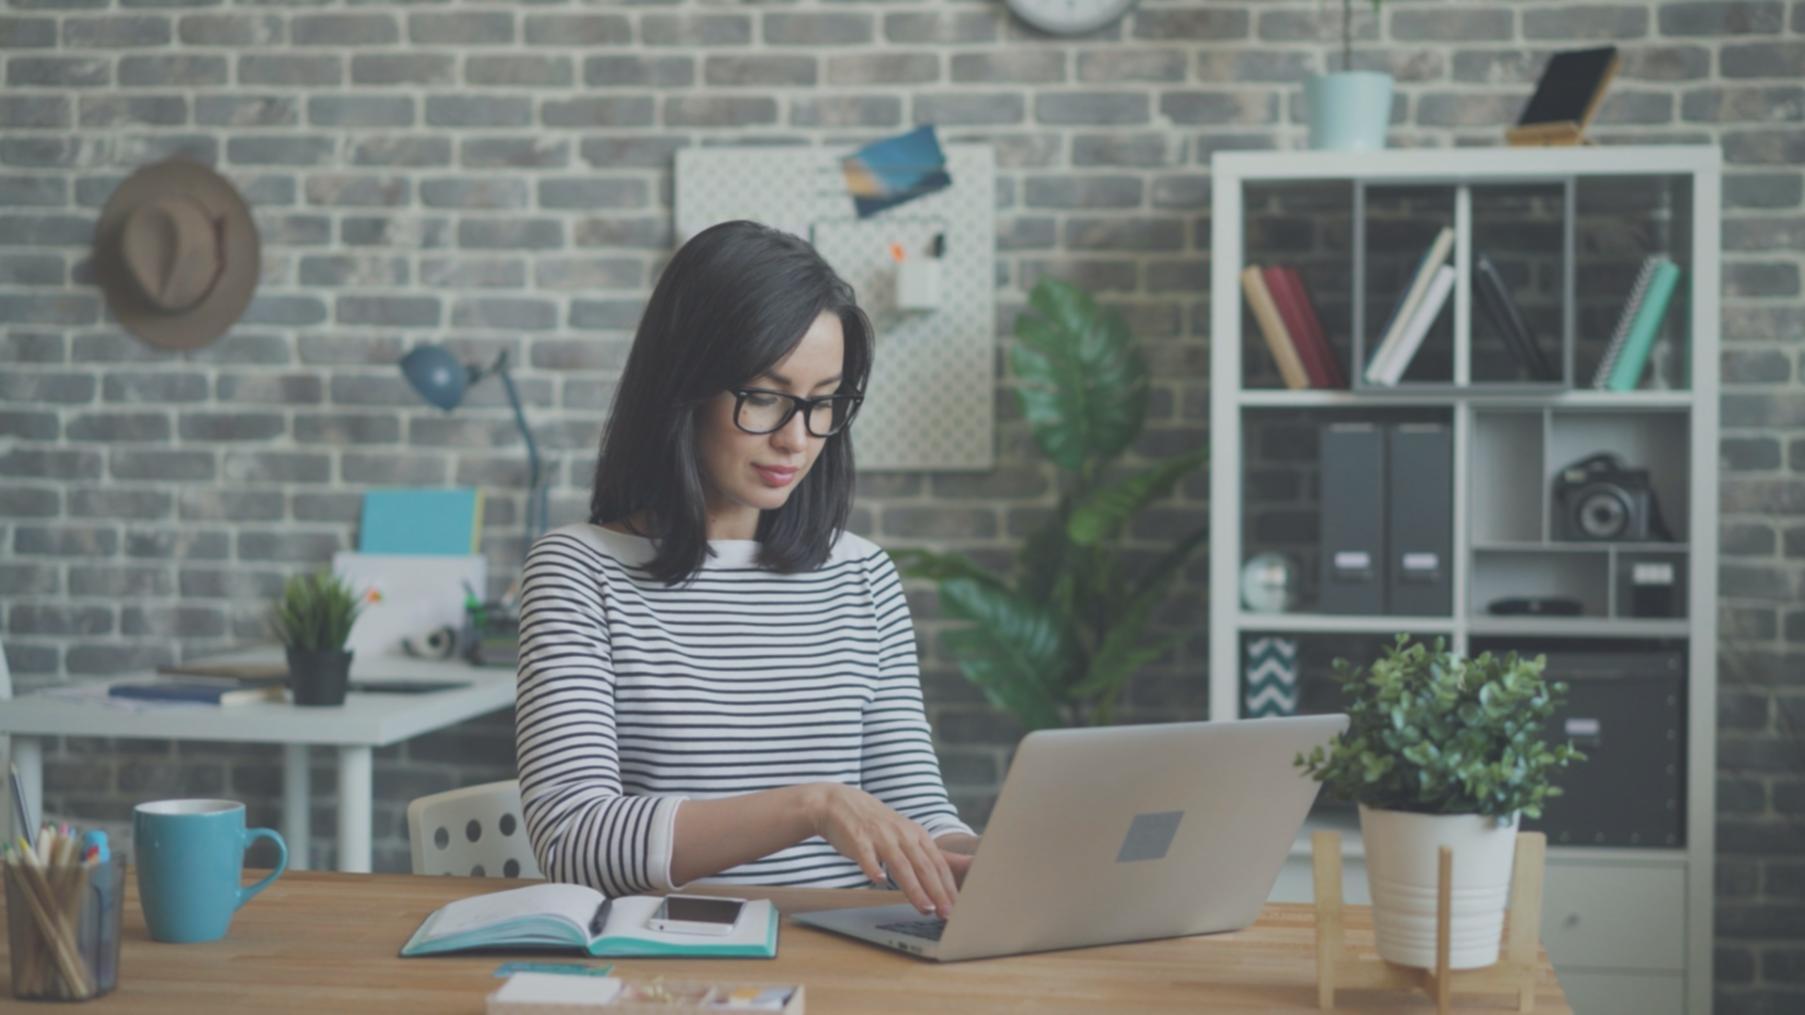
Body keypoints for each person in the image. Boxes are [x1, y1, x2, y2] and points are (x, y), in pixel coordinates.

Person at [515, 220, 976, 919]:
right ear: (685, 386)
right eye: (765, 396)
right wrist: (813, 805)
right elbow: (575, 838)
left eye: (823, 402)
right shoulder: (580, 571)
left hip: (850, 954)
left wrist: (980, 864)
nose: (796, 437)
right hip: (670, 960)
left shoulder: (862, 575)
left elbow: (911, 804)